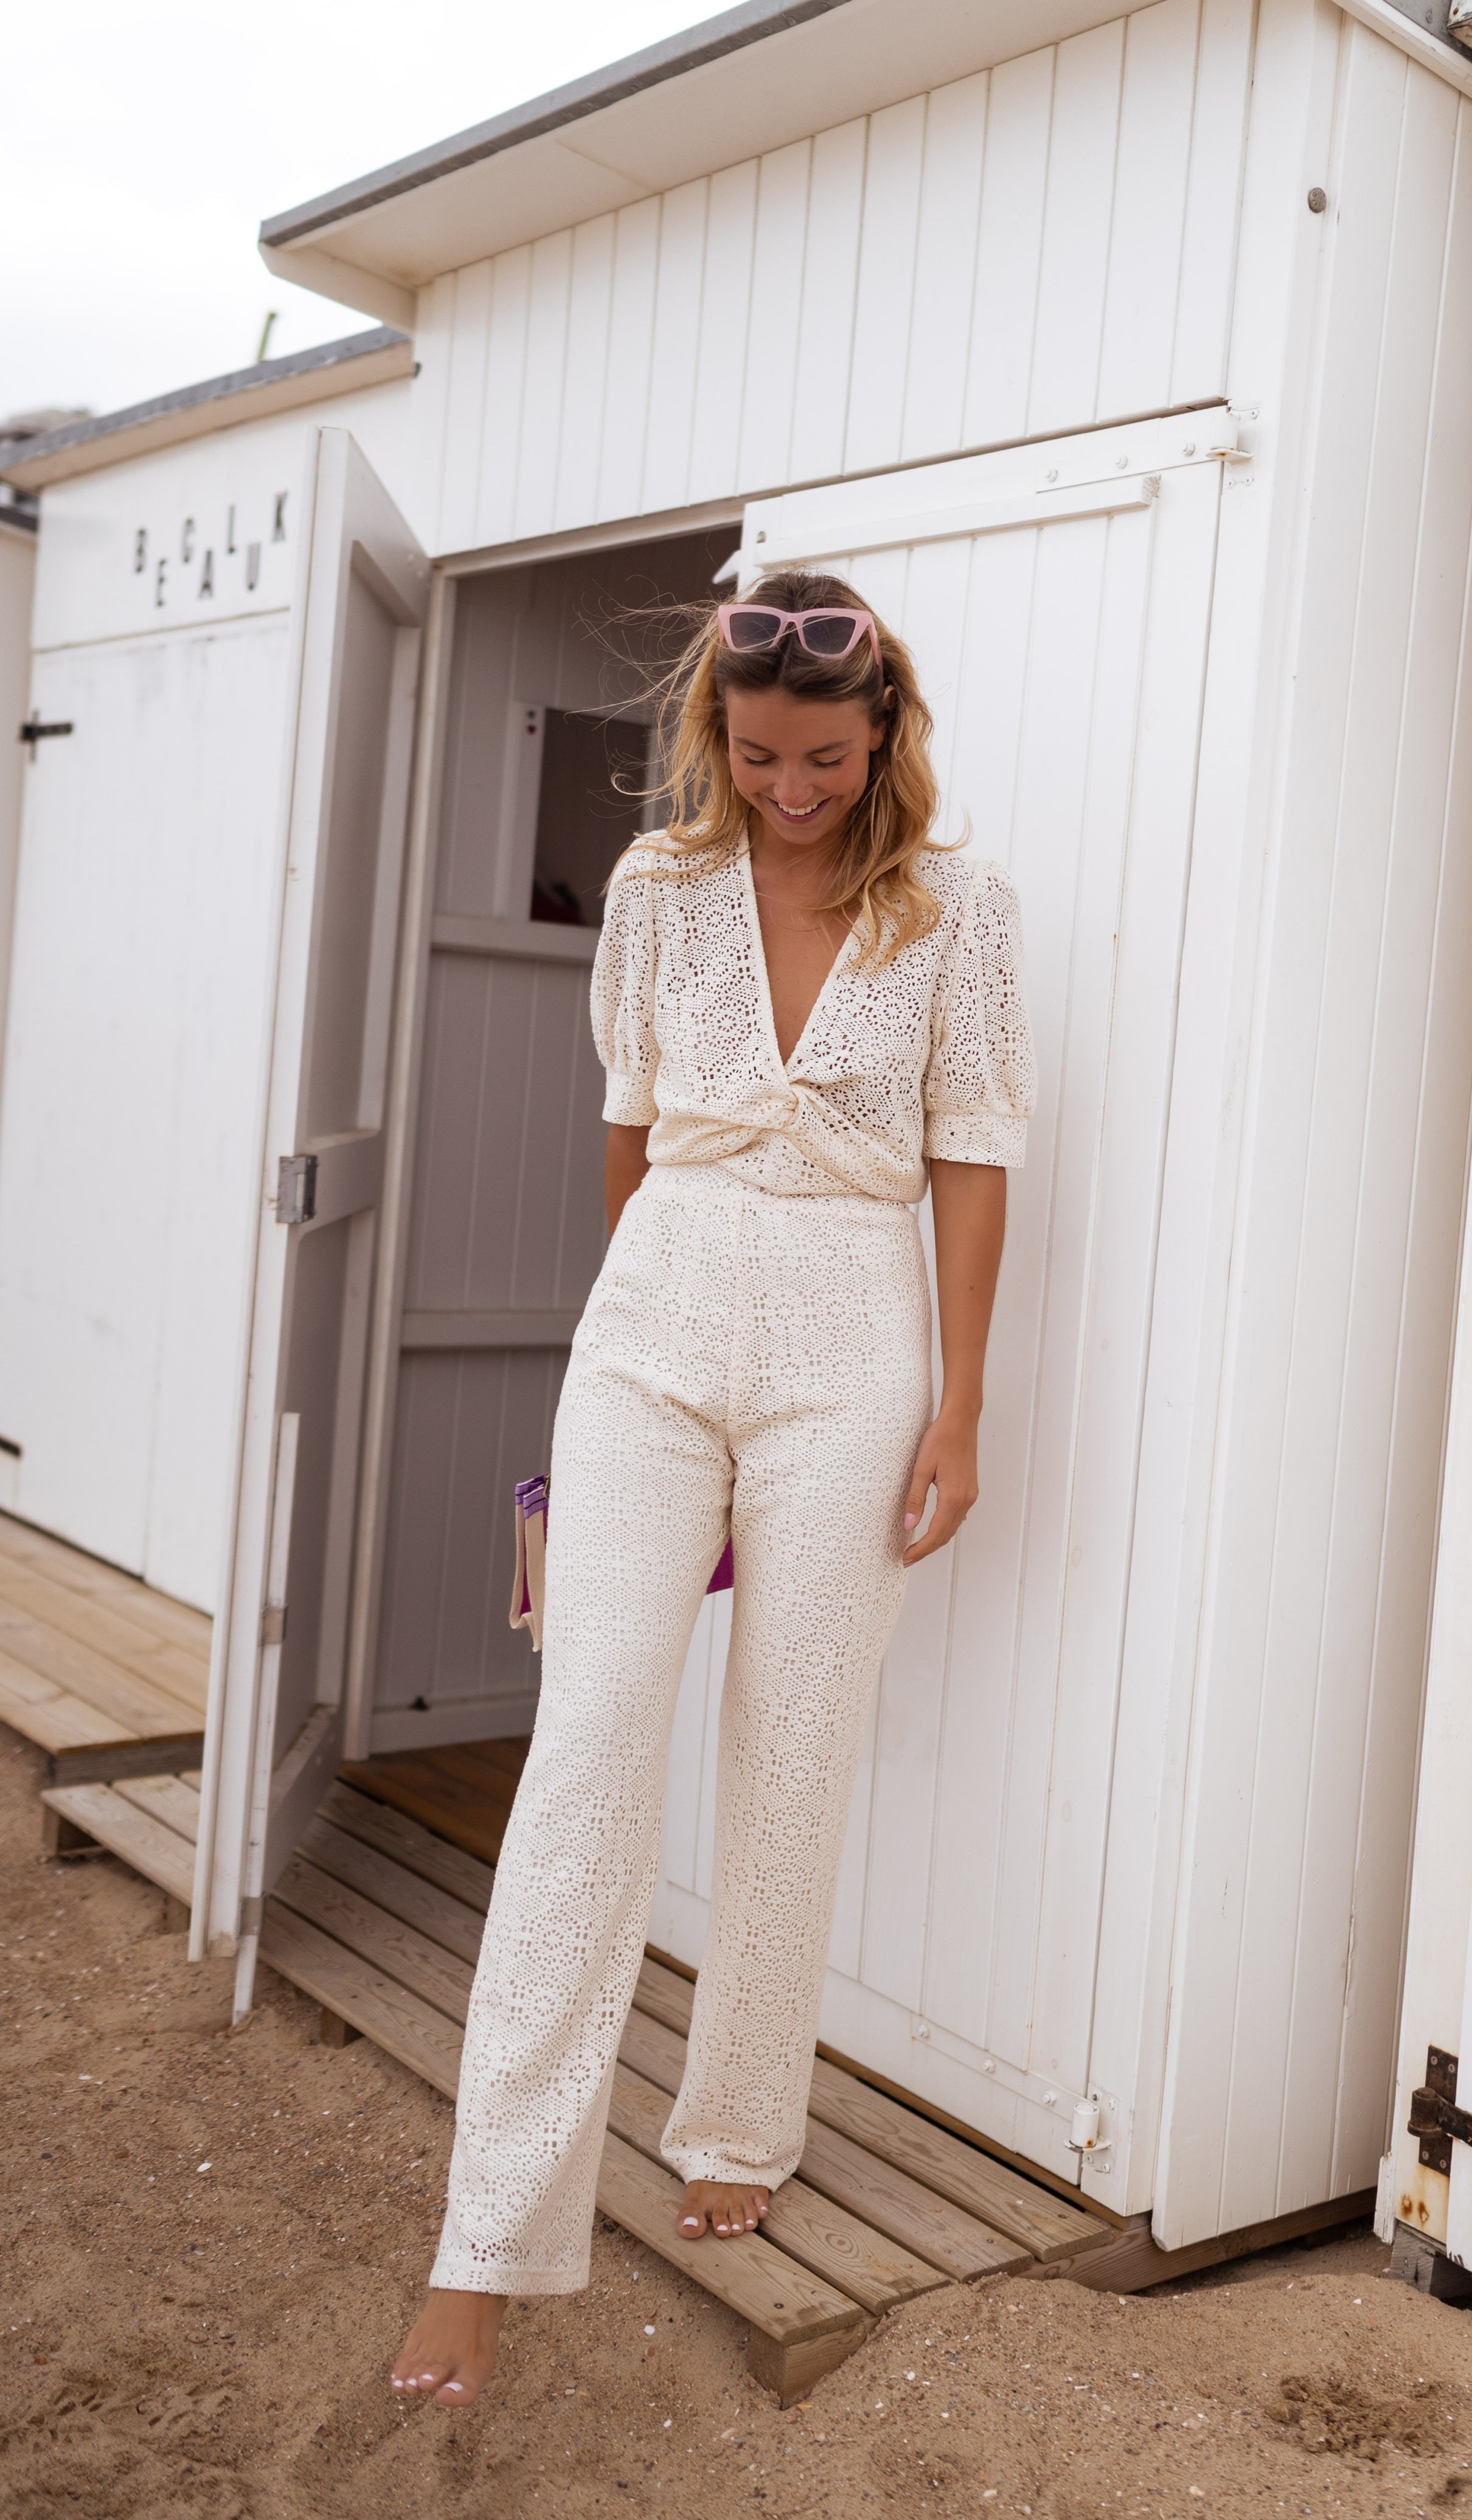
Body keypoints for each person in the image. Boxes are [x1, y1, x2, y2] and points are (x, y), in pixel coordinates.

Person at [391, 568, 1034, 2406]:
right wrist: (651, 1323)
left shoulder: (959, 913)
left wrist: (960, 1407)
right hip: (659, 1326)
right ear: (718, 736)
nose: (789, 786)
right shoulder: (663, 892)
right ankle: (489, 2240)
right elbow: (626, 1130)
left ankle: (742, 2113)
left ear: (883, 733)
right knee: (591, 1738)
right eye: (757, 755)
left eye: (823, 756)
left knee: (794, 1738)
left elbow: (974, 1159)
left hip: (855, 1340)